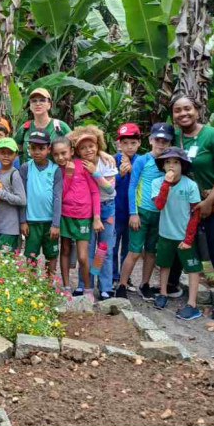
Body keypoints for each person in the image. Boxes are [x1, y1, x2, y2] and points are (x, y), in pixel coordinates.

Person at [169, 94, 214, 321]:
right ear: (173, 115)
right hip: (184, 205)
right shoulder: (174, 138)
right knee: (183, 245)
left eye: (187, 108)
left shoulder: (213, 136)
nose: (183, 114)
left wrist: (208, 202)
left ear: (197, 110)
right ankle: (174, 287)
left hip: (210, 203)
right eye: (178, 110)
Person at [115, 122, 174, 300]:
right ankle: (122, 284)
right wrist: (133, 212)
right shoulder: (143, 160)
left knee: (151, 252)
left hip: (159, 213)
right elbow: (132, 186)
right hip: (141, 211)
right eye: (158, 139)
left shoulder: (169, 162)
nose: (161, 143)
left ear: (170, 142)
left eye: (165, 141)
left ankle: (145, 284)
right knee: (134, 251)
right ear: (150, 140)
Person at [151, 147, 202, 319]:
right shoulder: (157, 183)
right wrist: (166, 183)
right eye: (167, 162)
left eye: (176, 162)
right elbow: (158, 205)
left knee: (192, 268)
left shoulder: (190, 185)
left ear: (183, 165)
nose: (171, 166)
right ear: (163, 165)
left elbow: (195, 213)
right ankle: (163, 293)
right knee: (164, 264)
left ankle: (192, 304)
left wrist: (188, 239)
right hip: (166, 233)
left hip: (185, 236)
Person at [52, 135, 101, 298]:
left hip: (83, 216)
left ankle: (88, 289)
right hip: (65, 215)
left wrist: (96, 217)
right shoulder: (56, 170)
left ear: (72, 151)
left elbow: (95, 192)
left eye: (63, 153)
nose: (60, 157)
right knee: (65, 250)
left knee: (82, 255)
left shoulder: (84, 165)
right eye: (56, 154)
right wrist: (68, 175)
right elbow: (61, 194)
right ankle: (66, 286)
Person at [72, 125, 118, 300]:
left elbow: (110, 189)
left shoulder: (106, 162)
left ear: (98, 144)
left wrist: (95, 172)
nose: (88, 150)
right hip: (87, 209)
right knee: (87, 249)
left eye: (91, 145)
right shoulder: (78, 163)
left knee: (104, 249)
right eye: (82, 147)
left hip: (106, 208)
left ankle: (104, 286)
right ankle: (85, 284)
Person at [19, 129, 61, 274]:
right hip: (31, 221)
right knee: (31, 255)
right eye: (33, 148)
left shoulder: (55, 169)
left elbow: (57, 197)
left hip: (49, 222)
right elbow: (22, 196)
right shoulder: (25, 168)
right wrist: (23, 220)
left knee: (52, 254)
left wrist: (56, 223)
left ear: (49, 149)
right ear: (29, 149)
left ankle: (49, 284)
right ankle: (31, 285)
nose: (37, 152)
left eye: (42, 148)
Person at [113, 123, 142, 291]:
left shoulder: (142, 161)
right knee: (113, 246)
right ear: (119, 144)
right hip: (116, 211)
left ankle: (126, 277)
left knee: (129, 247)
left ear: (139, 143)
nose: (129, 147)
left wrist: (132, 171)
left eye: (133, 143)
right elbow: (106, 185)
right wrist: (120, 174)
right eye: (125, 143)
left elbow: (143, 185)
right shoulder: (112, 160)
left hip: (134, 212)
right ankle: (113, 277)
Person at [0, 138, 26, 251]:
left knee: (5, 262)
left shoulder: (15, 174)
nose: (6, 156)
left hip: (9, 229)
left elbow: (22, 200)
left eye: (10, 153)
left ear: (15, 155)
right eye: (2, 152)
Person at [15, 88, 71, 162]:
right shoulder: (25, 128)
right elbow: (14, 150)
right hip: (28, 172)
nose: (38, 104)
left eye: (42, 100)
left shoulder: (60, 126)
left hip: (55, 172)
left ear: (49, 105)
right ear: (30, 106)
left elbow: (74, 148)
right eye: (34, 101)